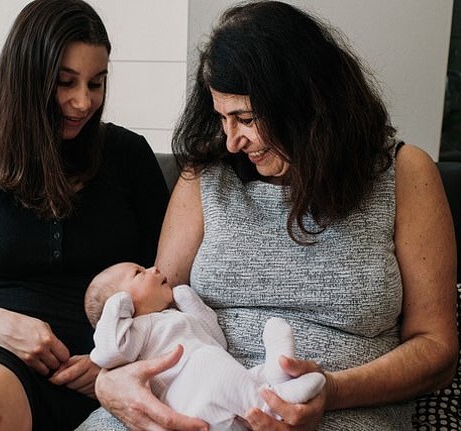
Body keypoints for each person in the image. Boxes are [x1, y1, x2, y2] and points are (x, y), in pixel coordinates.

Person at [78, 1, 458, 430]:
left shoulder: (404, 175)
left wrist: (328, 389)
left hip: (339, 412)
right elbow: (151, 309)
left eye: (246, 118)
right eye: (222, 118)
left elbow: (437, 348)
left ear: (306, 104)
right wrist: (112, 383)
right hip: (190, 401)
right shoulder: (205, 175)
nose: (232, 141)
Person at [0, 1, 170, 430]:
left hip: (100, 369)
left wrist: (113, 362)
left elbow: (168, 279)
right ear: (27, 78)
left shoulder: (128, 157)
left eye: (96, 83)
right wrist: (0, 326)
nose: (84, 101)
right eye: (66, 82)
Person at [85, 262, 326, 430]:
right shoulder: (137, 330)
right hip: (189, 405)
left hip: (218, 402)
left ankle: (276, 374)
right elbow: (107, 353)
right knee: (207, 360)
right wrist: (117, 305)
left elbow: (217, 341)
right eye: (139, 272)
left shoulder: (173, 317)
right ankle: (273, 404)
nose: (154, 269)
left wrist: (191, 303)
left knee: (227, 364)